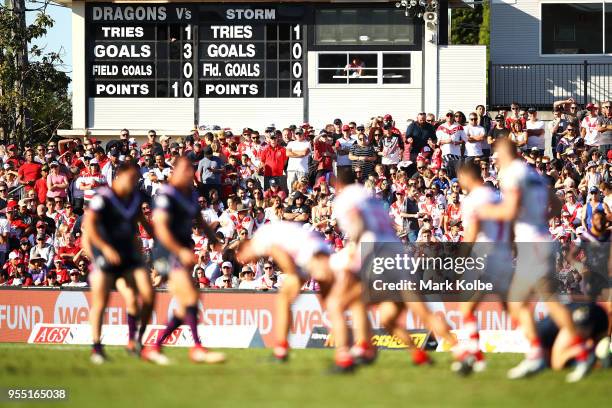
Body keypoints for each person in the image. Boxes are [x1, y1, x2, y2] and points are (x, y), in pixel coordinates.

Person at [476, 138, 593, 382]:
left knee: (544, 301)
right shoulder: (534, 174)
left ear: (503, 153)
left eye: (496, 154)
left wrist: (484, 211)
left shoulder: (511, 173)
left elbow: (509, 210)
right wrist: (539, 220)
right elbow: (557, 203)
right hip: (539, 241)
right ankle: (537, 354)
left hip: (534, 245)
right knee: (519, 302)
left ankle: (581, 352)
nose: (495, 159)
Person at [142, 157, 225, 365]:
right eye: (185, 170)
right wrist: (180, 250)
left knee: (188, 304)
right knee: (190, 297)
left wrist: (214, 239)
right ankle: (196, 348)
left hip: (179, 252)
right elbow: (160, 228)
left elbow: (197, 219)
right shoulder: (166, 195)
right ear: (174, 172)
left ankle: (154, 347)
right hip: (165, 253)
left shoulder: (191, 194)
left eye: (191, 170)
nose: (189, 174)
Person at [83, 161, 155, 364]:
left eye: (136, 179)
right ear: (119, 177)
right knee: (100, 303)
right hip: (105, 257)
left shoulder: (135, 199)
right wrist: (103, 250)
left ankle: (134, 340)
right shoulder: (103, 198)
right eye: (132, 178)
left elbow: (145, 226)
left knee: (141, 296)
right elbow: (89, 228)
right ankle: (97, 349)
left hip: (127, 257)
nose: (135, 182)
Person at [236, 221, 333, 364]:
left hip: (311, 254)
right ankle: (281, 350)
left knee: (335, 302)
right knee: (328, 300)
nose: (245, 261)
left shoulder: (259, 240)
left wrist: (293, 275)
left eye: (242, 256)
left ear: (245, 247)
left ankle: (282, 350)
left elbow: (281, 255)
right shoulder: (265, 234)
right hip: (315, 250)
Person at [451, 161, 513, 375]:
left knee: (466, 307)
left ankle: (475, 356)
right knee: (514, 309)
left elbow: (471, 232)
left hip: (483, 256)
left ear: (466, 177)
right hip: (503, 256)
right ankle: (539, 348)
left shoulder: (473, 199)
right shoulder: (496, 196)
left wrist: (458, 262)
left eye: (460, 179)